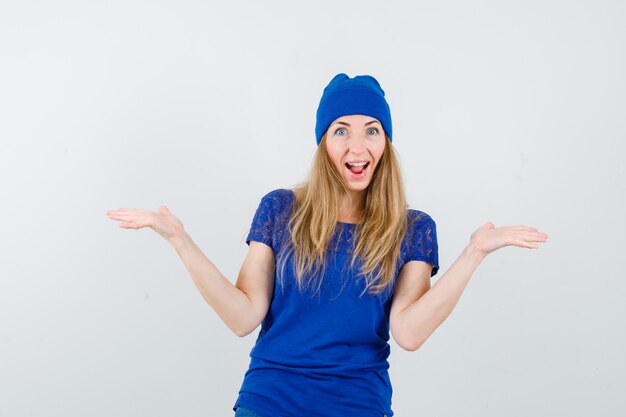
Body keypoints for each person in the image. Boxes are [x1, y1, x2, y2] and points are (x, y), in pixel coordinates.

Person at [106, 73, 548, 417]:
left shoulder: (413, 229)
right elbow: (243, 316)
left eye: (372, 130)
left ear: (386, 144)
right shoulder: (280, 210)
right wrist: (180, 240)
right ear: (323, 142)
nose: (358, 146)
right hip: (270, 401)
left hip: (358, 405)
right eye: (342, 130)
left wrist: (474, 253)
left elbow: (409, 333)